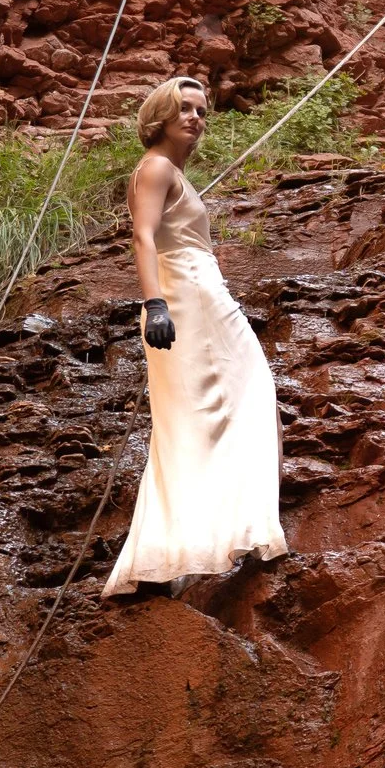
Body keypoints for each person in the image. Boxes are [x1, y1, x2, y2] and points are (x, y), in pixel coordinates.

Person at [101, 76, 287, 597]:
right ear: (159, 115)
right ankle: (230, 532)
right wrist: (154, 302)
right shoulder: (156, 167)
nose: (194, 117)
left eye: (201, 110)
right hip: (184, 300)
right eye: (182, 108)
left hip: (201, 296)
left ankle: (193, 543)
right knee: (237, 400)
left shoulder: (171, 172)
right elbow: (141, 235)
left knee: (206, 414)